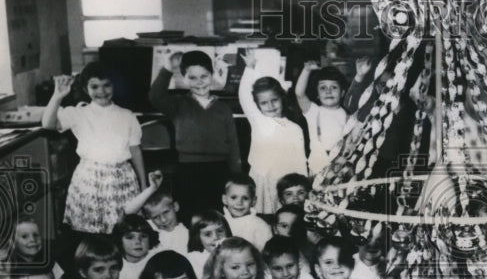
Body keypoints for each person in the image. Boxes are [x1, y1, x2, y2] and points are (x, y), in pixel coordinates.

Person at [41, 65, 145, 234]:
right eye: (94, 86)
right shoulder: (78, 113)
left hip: (121, 180)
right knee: (90, 233)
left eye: (107, 85)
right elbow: (48, 124)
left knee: (123, 230)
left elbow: (136, 151)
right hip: (89, 180)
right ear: (85, 89)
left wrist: (144, 185)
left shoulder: (127, 115)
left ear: (114, 86)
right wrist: (57, 96)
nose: (101, 91)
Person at [149, 49, 243, 215]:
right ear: (184, 78)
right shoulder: (178, 105)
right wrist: (168, 68)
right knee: (189, 216)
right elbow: (155, 96)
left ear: (212, 74)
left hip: (219, 171)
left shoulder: (223, 108)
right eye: (192, 77)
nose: (199, 82)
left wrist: (236, 177)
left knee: (218, 216)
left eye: (204, 76)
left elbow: (233, 145)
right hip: (187, 171)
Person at [239, 51, 311, 212]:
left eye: (274, 100)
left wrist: (303, 187)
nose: (270, 106)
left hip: (286, 183)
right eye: (264, 103)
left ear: (282, 99)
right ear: (257, 105)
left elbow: (301, 161)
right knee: (263, 217)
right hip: (262, 180)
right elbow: (244, 97)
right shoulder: (259, 122)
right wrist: (249, 69)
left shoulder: (295, 129)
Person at [295, 59, 362, 177]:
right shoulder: (313, 111)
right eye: (323, 88)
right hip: (317, 165)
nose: (328, 91)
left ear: (342, 93)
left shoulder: (347, 116)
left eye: (334, 87)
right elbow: (299, 93)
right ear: (317, 93)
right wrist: (306, 70)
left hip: (340, 167)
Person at [3, 215, 67, 279]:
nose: (33, 239)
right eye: (25, 236)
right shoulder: (10, 267)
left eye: (36, 235)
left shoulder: (49, 261)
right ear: (13, 243)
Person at [221, 174, 274, 251]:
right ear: (224, 199)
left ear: (253, 201)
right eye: (233, 197)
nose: (239, 203)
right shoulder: (220, 222)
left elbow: (267, 254)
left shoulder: (260, 226)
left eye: (245, 198)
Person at [112, 214, 160, 279]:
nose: (138, 242)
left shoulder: (157, 259)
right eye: (130, 237)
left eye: (143, 236)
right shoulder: (115, 264)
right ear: (119, 240)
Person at [186, 209, 232, 279]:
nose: (216, 237)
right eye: (208, 234)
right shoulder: (194, 258)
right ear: (198, 238)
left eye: (220, 231)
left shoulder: (235, 253)